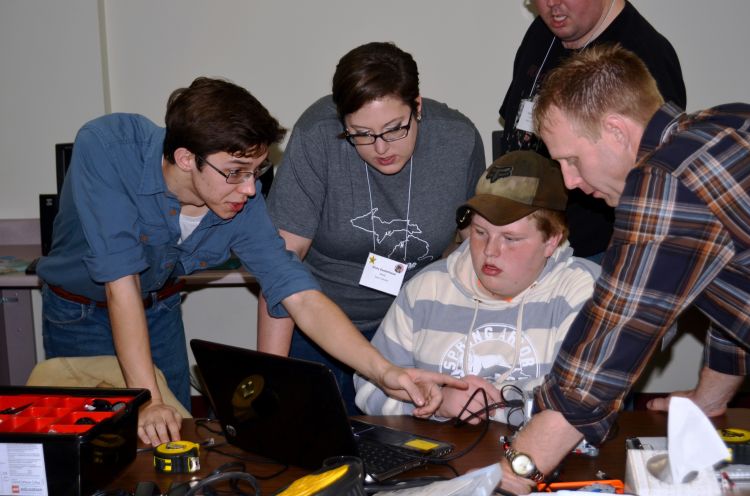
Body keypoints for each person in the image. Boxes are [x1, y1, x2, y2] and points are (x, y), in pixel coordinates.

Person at [36, 77, 466, 447]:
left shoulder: (241, 199)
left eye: (257, 171)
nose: (248, 189)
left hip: (159, 306)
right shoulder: (108, 147)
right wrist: (146, 400)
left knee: (174, 440)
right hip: (82, 313)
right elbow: (120, 284)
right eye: (236, 171)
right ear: (187, 158)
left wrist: (385, 372)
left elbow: (298, 294)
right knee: (102, 445)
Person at [497, 44, 750, 494]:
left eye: (572, 160)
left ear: (615, 130)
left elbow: (604, 351)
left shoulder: (667, 180)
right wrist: (707, 404)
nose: (571, 182)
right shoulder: (730, 122)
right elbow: (738, 291)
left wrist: (517, 471)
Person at [258, 42, 486, 414]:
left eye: (394, 129)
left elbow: (470, 247)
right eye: (360, 134)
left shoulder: (458, 140)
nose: (380, 147)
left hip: (414, 330)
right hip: (320, 328)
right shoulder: (317, 134)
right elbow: (282, 264)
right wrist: (271, 375)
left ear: (418, 107)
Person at [354, 151, 600, 424]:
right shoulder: (427, 289)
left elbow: (586, 400)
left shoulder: (583, 290)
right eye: (480, 232)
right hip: (440, 459)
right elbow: (368, 386)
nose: (490, 251)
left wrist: (492, 407)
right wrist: (438, 402)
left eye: (511, 238)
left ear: (552, 240)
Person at [499, 0, 686, 260]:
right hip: (529, 243)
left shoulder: (646, 54)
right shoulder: (542, 34)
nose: (551, 4)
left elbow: (655, 184)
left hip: (596, 252)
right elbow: (517, 125)